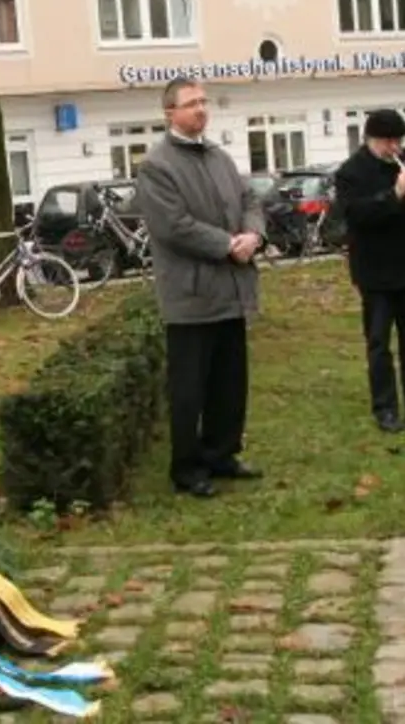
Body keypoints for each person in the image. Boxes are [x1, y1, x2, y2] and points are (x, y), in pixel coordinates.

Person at [135, 76, 266, 498]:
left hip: (230, 289)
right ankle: (187, 467)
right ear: (170, 113)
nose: (201, 109)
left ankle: (222, 453)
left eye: (204, 102)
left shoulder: (219, 156)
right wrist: (228, 246)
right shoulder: (157, 165)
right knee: (190, 388)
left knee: (230, 382)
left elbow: (249, 201)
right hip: (190, 296)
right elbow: (172, 227)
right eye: (191, 103)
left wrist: (253, 236)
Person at [333, 109, 405, 432]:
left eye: (398, 140)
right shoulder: (350, 173)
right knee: (379, 344)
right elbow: (357, 216)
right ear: (370, 140)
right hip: (376, 271)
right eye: (387, 141)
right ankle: (385, 409)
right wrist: (396, 194)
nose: (394, 147)